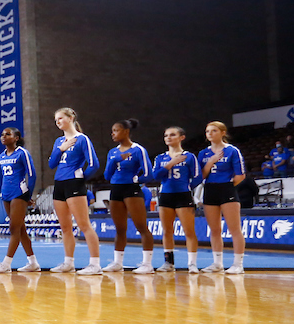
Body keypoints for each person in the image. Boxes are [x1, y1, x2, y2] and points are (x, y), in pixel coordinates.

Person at [48, 107, 102, 275]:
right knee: (65, 227)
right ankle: (68, 262)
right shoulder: (58, 141)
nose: (57, 122)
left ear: (71, 118)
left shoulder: (82, 139)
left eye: (60, 118)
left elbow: (94, 164)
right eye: (56, 120)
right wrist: (61, 148)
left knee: (84, 225)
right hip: (59, 184)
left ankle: (95, 264)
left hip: (74, 183)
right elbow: (51, 164)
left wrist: (80, 177)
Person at [101, 119, 156, 274]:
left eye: (116, 130)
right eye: (112, 131)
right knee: (120, 229)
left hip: (132, 190)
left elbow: (149, 174)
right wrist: (116, 160)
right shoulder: (113, 152)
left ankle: (147, 264)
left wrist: (136, 180)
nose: (113, 134)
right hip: (116, 190)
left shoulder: (138, 150)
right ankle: (118, 263)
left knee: (141, 226)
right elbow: (107, 175)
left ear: (126, 131)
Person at [0, 127, 40, 273]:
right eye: (2, 134)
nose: (4, 136)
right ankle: (33, 262)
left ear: (16, 138)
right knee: (21, 229)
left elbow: (32, 174)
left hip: (19, 193)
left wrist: (28, 196)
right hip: (6, 194)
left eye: (8, 134)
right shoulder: (1, 156)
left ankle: (6, 263)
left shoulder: (22, 153)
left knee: (13, 228)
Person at [199, 121, 247, 274]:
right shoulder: (203, 153)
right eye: (207, 131)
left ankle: (238, 264)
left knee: (234, 229)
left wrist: (227, 187)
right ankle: (217, 263)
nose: (210, 134)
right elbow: (200, 176)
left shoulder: (232, 151)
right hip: (209, 189)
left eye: (214, 131)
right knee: (214, 230)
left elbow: (240, 175)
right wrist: (210, 162)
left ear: (222, 132)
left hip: (227, 189)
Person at [152, 126, 201, 273]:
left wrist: (187, 186)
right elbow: (156, 176)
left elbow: (198, 177)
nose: (168, 138)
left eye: (172, 135)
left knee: (189, 231)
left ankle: (192, 264)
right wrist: (171, 163)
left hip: (183, 195)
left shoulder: (189, 157)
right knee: (167, 230)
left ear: (182, 137)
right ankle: (169, 263)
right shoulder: (160, 158)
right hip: (165, 196)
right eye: (166, 135)